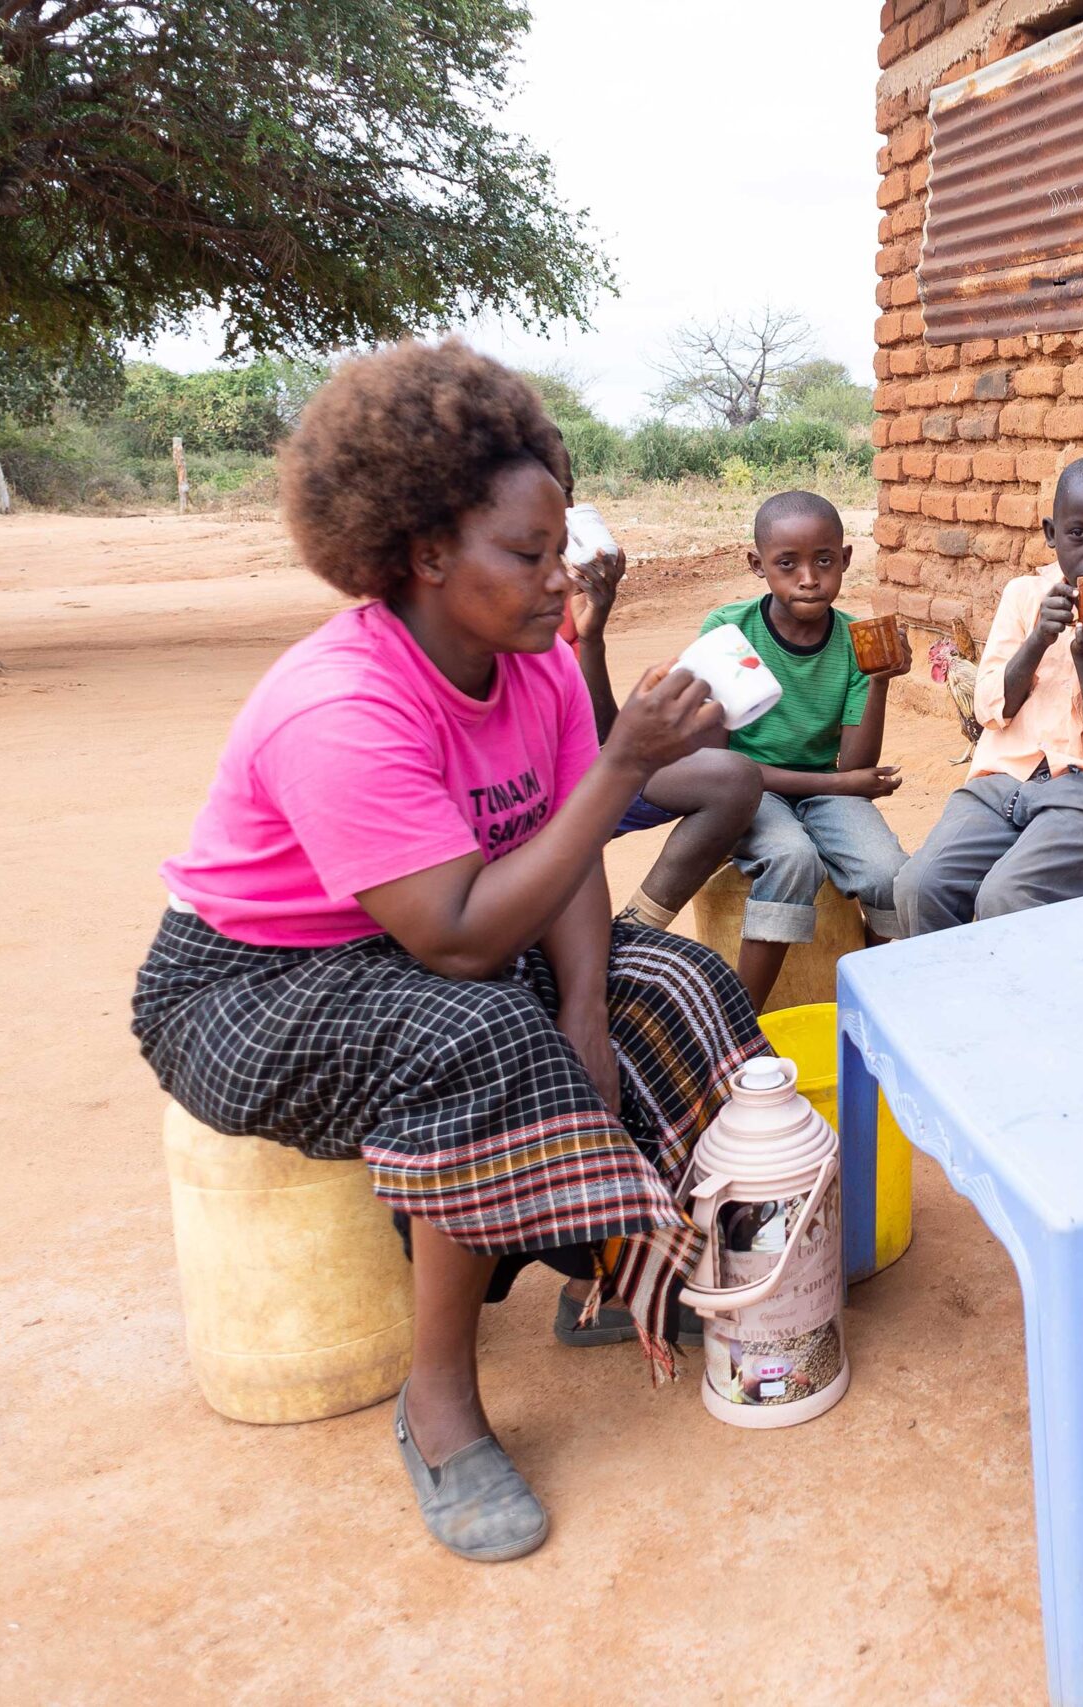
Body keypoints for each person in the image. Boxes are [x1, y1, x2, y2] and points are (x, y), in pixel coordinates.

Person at [133, 340, 765, 1564]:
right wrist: (625, 767)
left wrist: (588, 1012)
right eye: (525, 557)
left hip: (429, 946)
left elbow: (563, 855)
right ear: (426, 556)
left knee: (670, 979)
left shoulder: (530, 661)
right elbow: (463, 938)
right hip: (247, 982)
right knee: (471, 1033)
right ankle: (440, 1408)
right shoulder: (342, 706)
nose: (556, 582)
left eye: (557, 547)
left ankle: (613, 1267)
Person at [891, 454, 1083, 934]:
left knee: (1009, 896)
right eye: (1078, 534)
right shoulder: (1024, 597)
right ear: (1050, 533)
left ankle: (1019, 1005)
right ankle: (950, 1002)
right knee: (918, 885)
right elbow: (988, 710)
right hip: (1001, 780)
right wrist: (1040, 636)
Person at [706, 489, 913, 1008]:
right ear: (757, 565)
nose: (808, 577)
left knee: (889, 872)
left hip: (827, 790)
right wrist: (839, 785)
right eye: (787, 563)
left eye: (824, 560)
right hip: (750, 790)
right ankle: (740, 1025)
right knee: (793, 857)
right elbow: (720, 768)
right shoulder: (729, 632)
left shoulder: (857, 640)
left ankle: (871, 1006)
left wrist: (881, 680)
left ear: (845, 559)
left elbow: (857, 764)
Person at [553, 530, 763, 935]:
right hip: (528, 813)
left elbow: (599, 741)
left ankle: (635, 933)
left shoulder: (564, 607)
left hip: (575, 784)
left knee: (730, 776)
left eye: (568, 495)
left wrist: (591, 639)